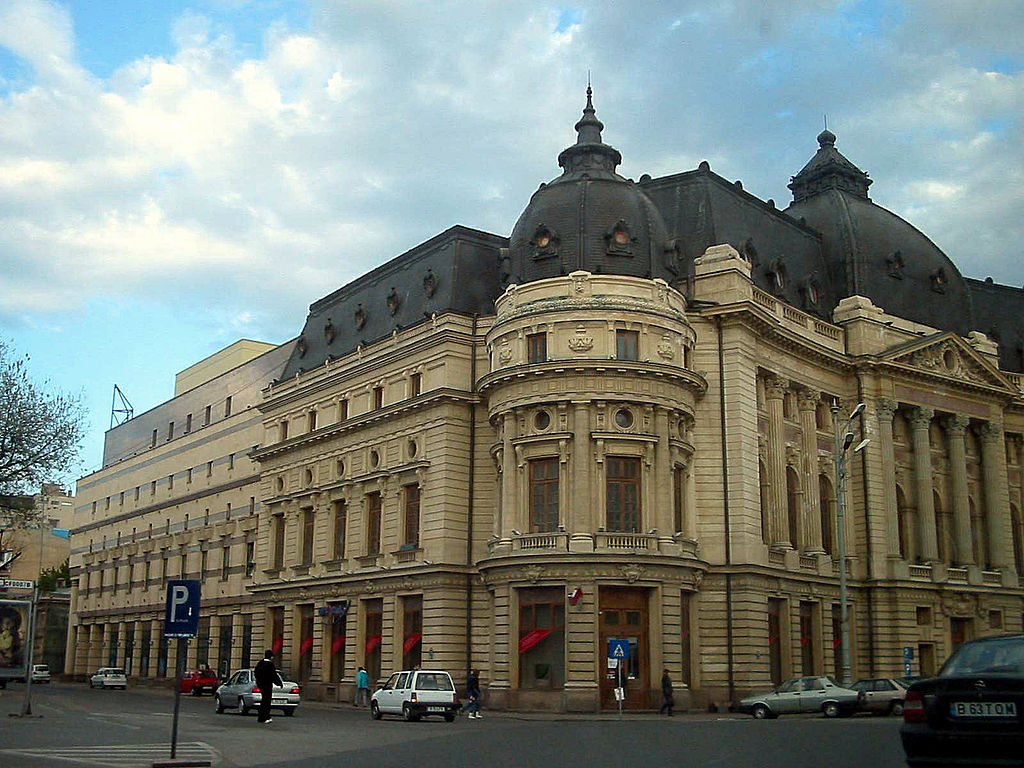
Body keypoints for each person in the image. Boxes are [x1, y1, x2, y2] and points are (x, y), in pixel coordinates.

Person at [254, 650, 283, 724]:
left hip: (261, 685)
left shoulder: (260, 663)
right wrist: (279, 683)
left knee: (263, 700)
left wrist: (259, 681)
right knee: (266, 701)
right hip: (267, 685)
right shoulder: (270, 665)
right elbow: (273, 675)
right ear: (271, 657)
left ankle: (261, 717)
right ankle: (265, 717)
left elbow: (256, 673)